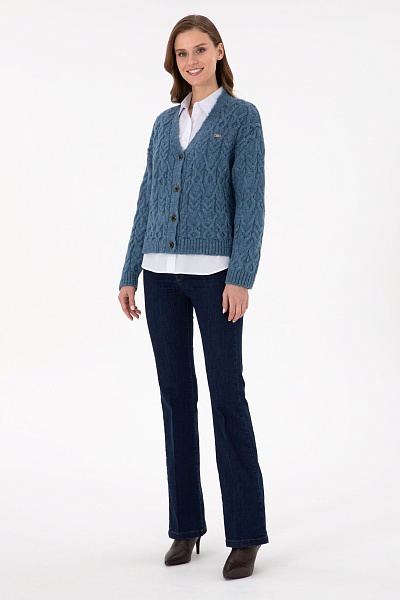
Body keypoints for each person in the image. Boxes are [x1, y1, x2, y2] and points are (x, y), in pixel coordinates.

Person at [118, 14, 269, 580]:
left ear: (219, 51)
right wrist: (129, 271)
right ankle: (186, 526)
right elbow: (147, 198)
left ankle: (246, 533)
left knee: (228, 397)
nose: (191, 61)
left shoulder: (242, 118)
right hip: (159, 275)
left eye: (200, 49)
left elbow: (251, 203)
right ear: (174, 61)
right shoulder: (164, 124)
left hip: (216, 278)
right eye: (182, 53)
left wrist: (242, 276)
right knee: (176, 398)